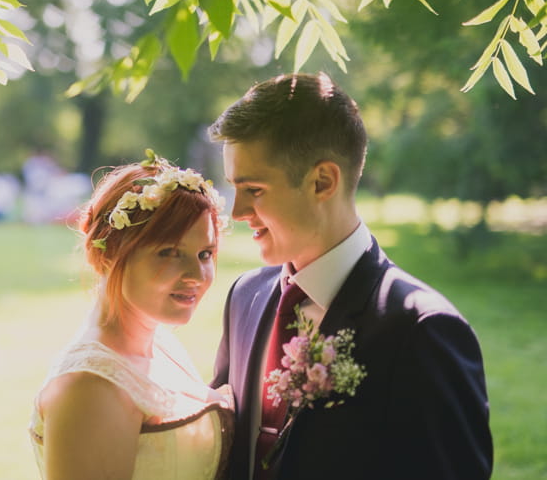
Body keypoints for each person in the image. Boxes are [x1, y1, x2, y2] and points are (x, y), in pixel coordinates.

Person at [208, 72, 493, 480]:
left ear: (322, 181)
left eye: (253, 189)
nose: (236, 213)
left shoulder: (422, 331)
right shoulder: (244, 297)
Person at [29, 151, 235, 480]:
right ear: (108, 253)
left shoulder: (160, 342)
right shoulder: (90, 387)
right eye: (170, 252)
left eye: (205, 253)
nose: (196, 275)